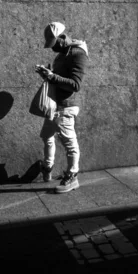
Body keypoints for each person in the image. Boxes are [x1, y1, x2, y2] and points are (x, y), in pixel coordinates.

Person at [35, 22, 89, 193]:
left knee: (69, 142)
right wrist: (48, 72)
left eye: (54, 44)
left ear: (61, 38)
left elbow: (75, 84)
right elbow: (60, 76)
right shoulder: (62, 54)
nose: (52, 49)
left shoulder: (77, 53)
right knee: (47, 136)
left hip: (66, 107)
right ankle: (48, 167)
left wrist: (52, 77)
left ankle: (73, 176)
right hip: (54, 104)